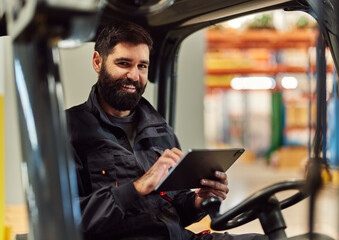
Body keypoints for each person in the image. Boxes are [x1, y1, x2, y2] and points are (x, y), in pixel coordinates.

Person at [66, 21, 267, 240]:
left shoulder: (159, 129)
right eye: (124, 63)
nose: (134, 76)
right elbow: (66, 220)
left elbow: (174, 205)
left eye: (142, 66)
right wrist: (137, 187)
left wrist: (197, 201)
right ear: (98, 62)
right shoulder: (69, 130)